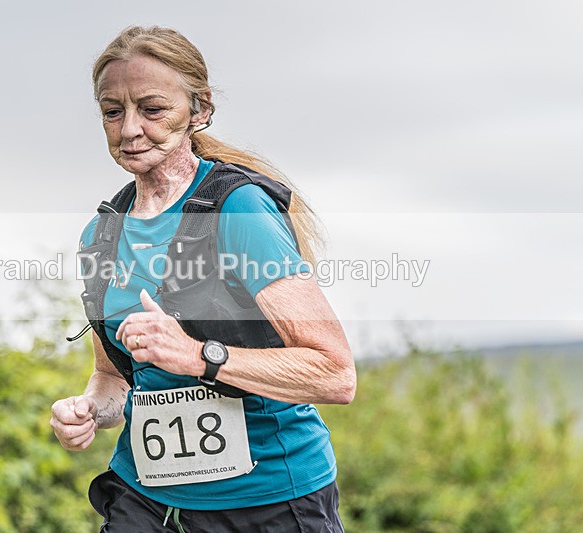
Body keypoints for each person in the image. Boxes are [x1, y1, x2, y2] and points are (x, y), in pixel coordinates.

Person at [50, 26, 356, 532]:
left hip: (268, 500)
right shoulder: (99, 235)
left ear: (200, 109)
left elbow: (334, 374)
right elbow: (114, 377)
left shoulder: (239, 210)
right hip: (145, 501)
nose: (129, 129)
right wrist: (88, 410)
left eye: (152, 109)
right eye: (112, 111)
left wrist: (197, 356)